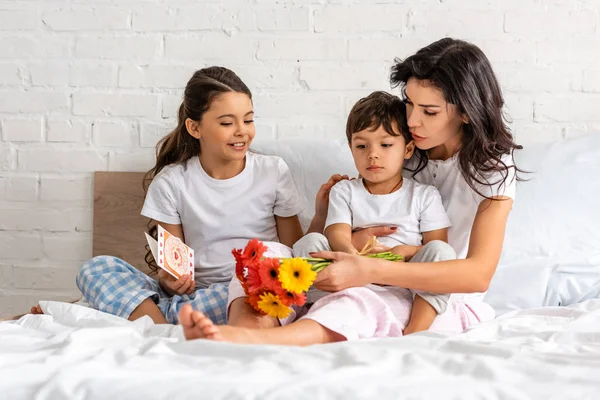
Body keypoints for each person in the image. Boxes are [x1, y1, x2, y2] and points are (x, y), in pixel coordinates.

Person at [179, 38, 522, 345]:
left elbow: (478, 274)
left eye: (429, 111)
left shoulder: (491, 171)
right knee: (265, 255)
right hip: (357, 264)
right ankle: (249, 331)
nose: (413, 121)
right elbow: (339, 231)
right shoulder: (404, 146)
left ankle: (262, 342)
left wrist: (371, 270)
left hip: (427, 291)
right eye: (410, 104)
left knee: (355, 304)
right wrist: (344, 239)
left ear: (465, 112)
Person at [66, 66, 325, 325]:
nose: (241, 131)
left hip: (250, 290)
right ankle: (163, 325)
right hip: (196, 296)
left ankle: (154, 318)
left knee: (264, 279)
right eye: (227, 122)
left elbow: (291, 253)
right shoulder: (172, 182)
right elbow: (174, 270)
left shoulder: (273, 171)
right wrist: (170, 281)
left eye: (248, 120)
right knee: (96, 268)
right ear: (194, 127)